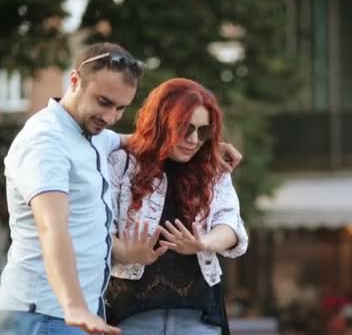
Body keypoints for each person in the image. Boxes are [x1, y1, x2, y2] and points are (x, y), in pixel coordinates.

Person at [0, 43, 242, 335]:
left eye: (120, 108)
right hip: (47, 313)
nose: (109, 117)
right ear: (74, 81)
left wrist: (203, 146)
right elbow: (52, 227)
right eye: (103, 102)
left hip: (76, 314)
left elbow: (142, 140)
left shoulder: (93, 135)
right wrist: (74, 307)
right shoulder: (47, 142)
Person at [104, 78, 249, 335]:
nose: (194, 139)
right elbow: (98, 231)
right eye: (185, 128)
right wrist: (127, 252)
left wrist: (203, 243)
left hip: (198, 318)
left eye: (204, 132)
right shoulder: (121, 163)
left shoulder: (213, 169)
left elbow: (232, 225)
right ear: (162, 123)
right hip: (131, 316)